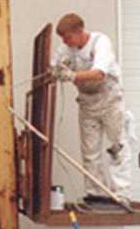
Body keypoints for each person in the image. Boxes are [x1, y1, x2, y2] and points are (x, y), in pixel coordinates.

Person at [51, 13, 131, 208]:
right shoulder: (66, 48)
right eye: (62, 39)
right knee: (90, 151)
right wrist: (56, 71)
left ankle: (121, 193)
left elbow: (98, 73)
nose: (65, 42)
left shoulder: (100, 42)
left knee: (117, 147)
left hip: (110, 100)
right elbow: (53, 67)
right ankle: (96, 193)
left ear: (79, 32)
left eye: (68, 37)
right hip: (87, 103)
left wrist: (72, 75)